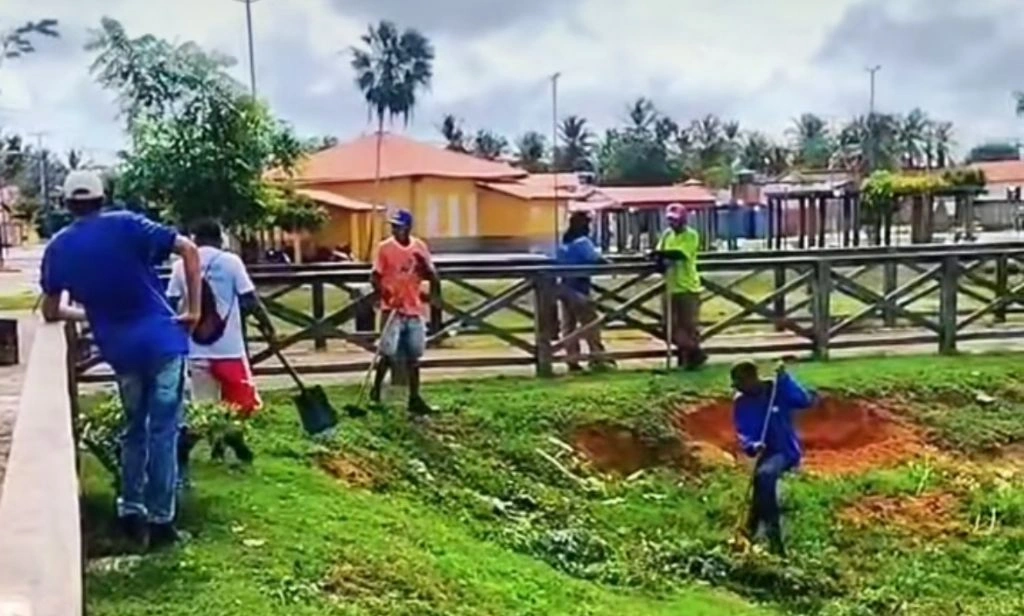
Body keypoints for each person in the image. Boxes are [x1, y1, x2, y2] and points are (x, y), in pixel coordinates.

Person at [40, 170, 202, 551]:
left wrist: (93, 316)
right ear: (102, 197)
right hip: (163, 343)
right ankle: (162, 523)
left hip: (121, 351)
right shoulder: (128, 224)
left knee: (135, 429)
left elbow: (51, 311)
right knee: (164, 432)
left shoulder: (59, 248)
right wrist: (194, 309)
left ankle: (130, 510)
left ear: (66, 204)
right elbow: (189, 251)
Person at [167, 218, 276, 469]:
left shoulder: (180, 266)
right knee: (241, 403)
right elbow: (250, 299)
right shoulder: (231, 262)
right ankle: (234, 442)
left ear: (194, 239)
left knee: (203, 406)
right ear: (219, 238)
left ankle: (191, 449)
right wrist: (266, 325)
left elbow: (170, 303)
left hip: (195, 348)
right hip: (230, 349)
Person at [731, 360, 816, 557]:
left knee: (765, 476)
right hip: (764, 452)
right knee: (760, 486)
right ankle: (752, 532)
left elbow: (804, 400)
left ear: (753, 378)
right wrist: (752, 445)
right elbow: (744, 430)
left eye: (742, 383)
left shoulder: (775, 390)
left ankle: (773, 535)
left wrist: (786, 380)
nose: (740, 389)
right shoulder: (741, 401)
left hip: (784, 450)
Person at [370, 209, 438, 416]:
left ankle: (414, 398)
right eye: (393, 226)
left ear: (408, 227)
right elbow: (375, 277)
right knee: (388, 352)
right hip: (393, 307)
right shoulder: (385, 248)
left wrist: (422, 265)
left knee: (414, 355)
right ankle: (376, 390)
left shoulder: (419, 247)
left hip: (413, 307)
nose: (395, 230)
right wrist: (387, 295)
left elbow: (433, 276)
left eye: (399, 226)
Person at [556, 211, 612, 372]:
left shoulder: (564, 242)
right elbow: (596, 259)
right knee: (590, 324)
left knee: (568, 325)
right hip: (580, 288)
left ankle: (572, 359)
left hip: (564, 286)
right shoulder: (582, 242)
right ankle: (597, 357)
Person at [652, 203, 706, 370]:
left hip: (687, 285)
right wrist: (658, 258)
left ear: (683, 219)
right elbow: (659, 253)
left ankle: (687, 360)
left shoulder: (691, 235)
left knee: (689, 326)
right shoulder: (667, 235)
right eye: (670, 220)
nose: (672, 223)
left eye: (675, 220)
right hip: (670, 285)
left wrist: (661, 255)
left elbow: (681, 254)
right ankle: (695, 352)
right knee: (668, 326)